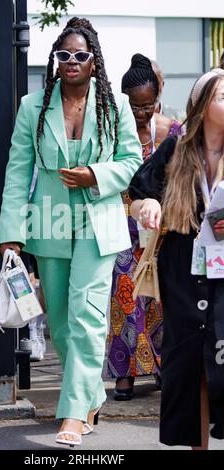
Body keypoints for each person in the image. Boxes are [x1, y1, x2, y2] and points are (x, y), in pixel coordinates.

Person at [0, 17, 142, 447]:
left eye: (82, 55)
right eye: (65, 55)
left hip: (99, 226)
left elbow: (132, 161)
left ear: (94, 62)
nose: (73, 61)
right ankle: (90, 393)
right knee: (60, 322)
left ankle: (74, 413)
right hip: (50, 224)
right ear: (56, 61)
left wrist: (95, 175)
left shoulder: (115, 107)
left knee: (87, 317)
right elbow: (19, 170)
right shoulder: (32, 106)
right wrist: (12, 231)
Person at [129, 68, 224, 449]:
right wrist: (149, 205)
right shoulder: (177, 148)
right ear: (202, 106)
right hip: (184, 269)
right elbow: (138, 191)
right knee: (189, 366)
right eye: (222, 96)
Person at [108, 54, 182, 400]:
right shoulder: (111, 133)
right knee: (125, 298)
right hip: (122, 226)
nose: (142, 112)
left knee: (161, 299)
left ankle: (164, 366)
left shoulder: (173, 130)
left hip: (161, 228)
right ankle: (124, 375)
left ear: (157, 99)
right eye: (135, 106)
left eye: (148, 104)